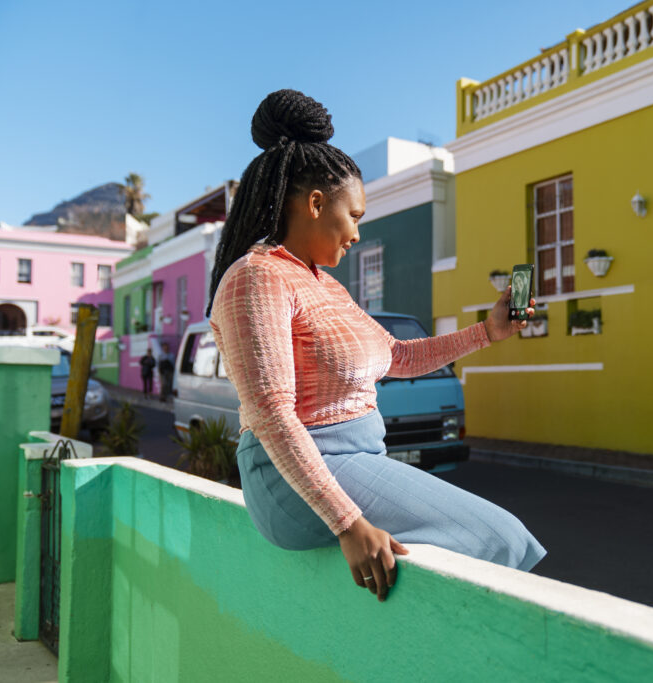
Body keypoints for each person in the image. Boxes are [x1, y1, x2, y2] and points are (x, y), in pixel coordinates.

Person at [207, 89, 545, 603]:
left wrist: (487, 332)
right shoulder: (255, 278)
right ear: (316, 203)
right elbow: (272, 413)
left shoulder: (328, 285)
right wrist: (348, 524)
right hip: (292, 476)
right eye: (355, 216)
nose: (357, 235)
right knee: (500, 538)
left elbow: (400, 356)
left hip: (358, 459)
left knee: (475, 545)